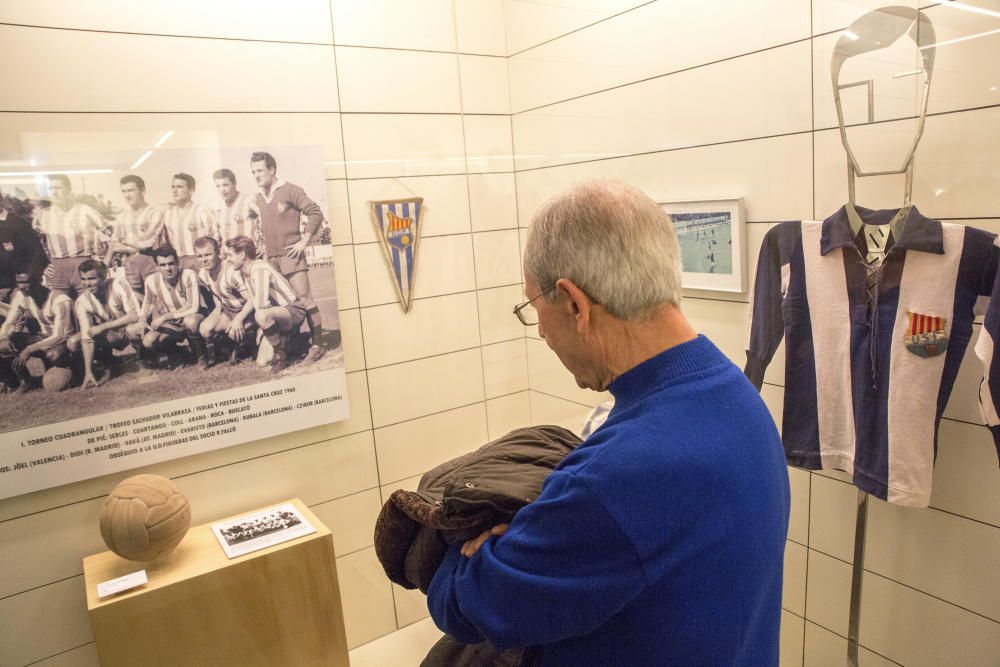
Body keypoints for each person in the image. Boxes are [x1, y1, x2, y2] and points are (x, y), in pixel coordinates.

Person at [427, 181, 790, 665]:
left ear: (574, 304)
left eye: (534, 309)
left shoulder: (619, 477)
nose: (540, 331)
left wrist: (466, 547)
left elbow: (468, 606)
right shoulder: (735, 396)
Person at [249, 151, 325, 362]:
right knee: (284, 305)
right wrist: (262, 245)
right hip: (271, 260)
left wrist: (303, 241)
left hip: (291, 255)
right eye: (253, 172)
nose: (256, 175)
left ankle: (317, 344)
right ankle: (292, 343)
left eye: (260, 170)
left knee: (304, 298)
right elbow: (256, 222)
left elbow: (315, 212)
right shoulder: (258, 199)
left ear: (272, 170)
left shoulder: (290, 190)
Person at [225, 235, 308, 373]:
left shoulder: (259, 269)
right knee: (262, 362)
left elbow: (262, 305)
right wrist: (238, 319)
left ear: (242, 254)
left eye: (230, 255)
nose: (227, 259)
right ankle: (293, 341)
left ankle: (282, 356)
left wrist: (261, 328)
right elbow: (253, 299)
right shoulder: (245, 271)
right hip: (276, 314)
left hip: (293, 310)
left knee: (262, 315)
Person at [68, 259, 144, 388]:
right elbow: (87, 339)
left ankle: (145, 360)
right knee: (73, 342)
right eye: (83, 279)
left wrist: (103, 326)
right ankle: (110, 364)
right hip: (113, 334)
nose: (87, 284)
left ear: (104, 277)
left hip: (132, 327)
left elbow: (134, 315)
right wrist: (88, 372)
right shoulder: (82, 301)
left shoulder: (118, 283)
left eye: (92, 278)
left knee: (133, 329)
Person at [32, 174, 108, 298]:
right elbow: (34, 246)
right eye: (51, 189)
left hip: (83, 266)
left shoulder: (85, 211)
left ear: (68, 189)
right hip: (58, 268)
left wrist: (104, 262)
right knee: (60, 308)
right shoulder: (43, 215)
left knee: (87, 307)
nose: (54, 192)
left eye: (58, 188)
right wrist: (43, 266)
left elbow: (113, 235)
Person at [0, 269, 74, 393]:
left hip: (64, 341)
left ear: (38, 281)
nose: (22, 286)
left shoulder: (60, 299)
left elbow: (60, 335)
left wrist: (30, 349)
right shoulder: (22, 296)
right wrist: (4, 337)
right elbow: (9, 322)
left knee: (53, 355)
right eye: (18, 282)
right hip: (42, 337)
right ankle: (26, 381)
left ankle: (73, 371)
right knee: (4, 344)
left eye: (26, 282)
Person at [140, 246, 209, 369]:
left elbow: (193, 307)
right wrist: (143, 319)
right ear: (157, 267)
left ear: (178, 263)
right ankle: (179, 353)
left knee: (190, 321)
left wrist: (164, 317)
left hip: (194, 316)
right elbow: (148, 302)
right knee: (148, 341)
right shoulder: (151, 280)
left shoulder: (188, 275)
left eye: (171, 264)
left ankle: (201, 356)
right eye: (163, 265)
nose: (168, 269)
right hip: (172, 322)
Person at [194, 235, 256, 365]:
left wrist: (238, 319)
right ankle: (224, 348)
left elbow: (252, 300)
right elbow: (218, 296)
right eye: (200, 256)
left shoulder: (231, 271)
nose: (204, 260)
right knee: (205, 328)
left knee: (234, 330)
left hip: (248, 311)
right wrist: (216, 314)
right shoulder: (203, 273)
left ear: (218, 253)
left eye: (208, 255)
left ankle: (250, 342)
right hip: (229, 310)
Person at [107, 175, 162, 295]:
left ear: (142, 190)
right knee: (135, 297)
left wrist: (125, 242)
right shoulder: (122, 216)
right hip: (130, 263)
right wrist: (134, 247)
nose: (127, 195)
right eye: (124, 191)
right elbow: (115, 244)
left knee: (156, 295)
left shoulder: (154, 213)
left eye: (131, 190)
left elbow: (150, 243)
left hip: (150, 261)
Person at [160, 173, 219, 272]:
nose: (175, 191)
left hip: (199, 260)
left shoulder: (202, 211)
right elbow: (166, 241)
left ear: (191, 190)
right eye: (173, 187)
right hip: (178, 261)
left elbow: (214, 238)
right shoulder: (168, 215)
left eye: (179, 187)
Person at [212, 168, 261, 250]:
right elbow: (217, 236)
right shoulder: (218, 208)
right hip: (229, 257)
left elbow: (266, 221)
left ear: (234, 184)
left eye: (225, 185)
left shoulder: (249, 200)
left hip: (249, 254)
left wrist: (264, 246)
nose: (222, 190)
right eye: (218, 186)